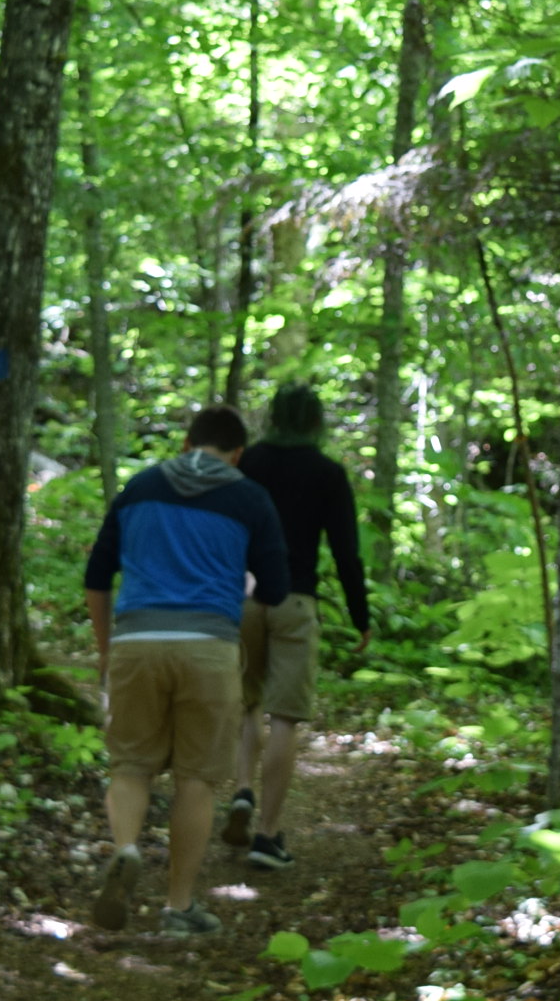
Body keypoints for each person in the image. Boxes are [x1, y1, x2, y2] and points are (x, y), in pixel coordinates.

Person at [82, 404, 289, 936]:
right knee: (196, 779)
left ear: (185, 442)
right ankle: (178, 907)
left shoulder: (140, 488)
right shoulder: (251, 497)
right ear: (238, 453)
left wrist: (108, 649)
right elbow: (275, 589)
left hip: (136, 641)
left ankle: (127, 848)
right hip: (209, 647)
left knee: (130, 764)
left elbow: (97, 575)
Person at [221, 380, 370, 869]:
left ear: (273, 417)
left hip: (243, 596)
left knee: (248, 701)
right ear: (316, 423)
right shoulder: (328, 473)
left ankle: (242, 789)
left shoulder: (248, 463)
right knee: (284, 716)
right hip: (295, 599)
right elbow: (347, 552)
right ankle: (267, 835)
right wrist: (360, 615)